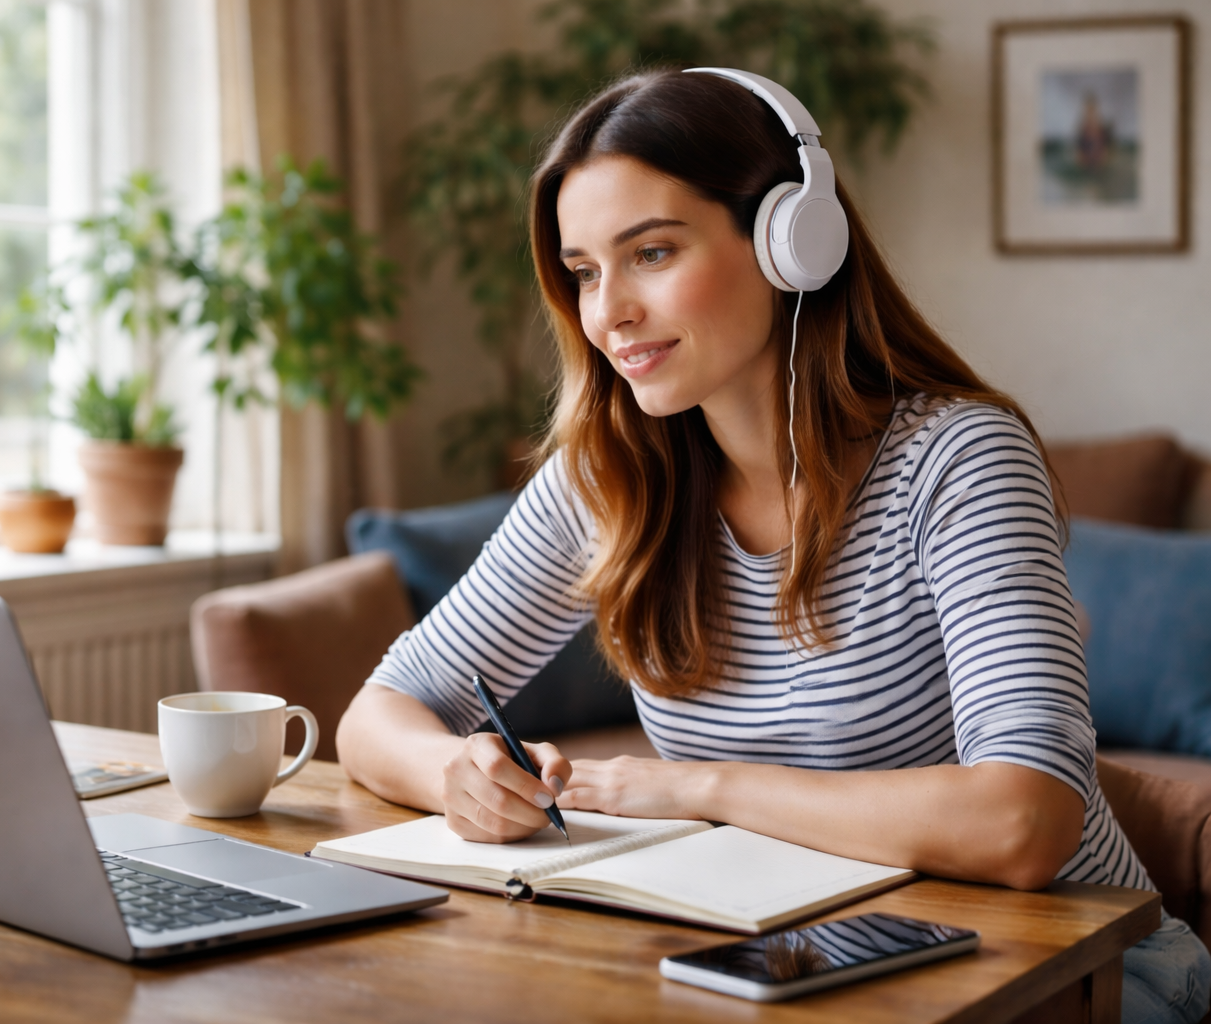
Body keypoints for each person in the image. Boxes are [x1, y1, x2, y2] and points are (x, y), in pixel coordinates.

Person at [335, 69, 1209, 1021]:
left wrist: (699, 788)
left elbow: (1023, 823)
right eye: (585, 272)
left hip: (1076, 971)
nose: (609, 313)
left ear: (793, 240)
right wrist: (454, 775)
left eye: (653, 253)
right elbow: (379, 714)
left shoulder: (957, 459)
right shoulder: (613, 474)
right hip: (797, 962)